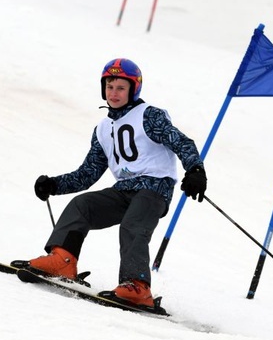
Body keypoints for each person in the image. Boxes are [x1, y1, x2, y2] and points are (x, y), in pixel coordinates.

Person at [21, 58, 207, 307]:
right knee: (82, 205)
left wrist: (195, 169)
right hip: (124, 191)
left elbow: (181, 142)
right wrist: (54, 185)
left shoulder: (149, 116)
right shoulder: (103, 128)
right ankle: (63, 260)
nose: (114, 93)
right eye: (109, 87)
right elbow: (88, 173)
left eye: (121, 87)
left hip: (154, 188)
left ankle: (137, 285)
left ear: (133, 89)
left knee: (133, 224)